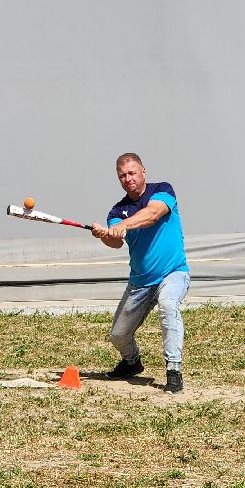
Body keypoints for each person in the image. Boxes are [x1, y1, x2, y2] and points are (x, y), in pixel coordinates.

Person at [92, 152, 190, 392]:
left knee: (168, 305)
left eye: (132, 173)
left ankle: (173, 370)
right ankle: (132, 362)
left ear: (143, 172)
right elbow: (116, 242)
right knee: (118, 336)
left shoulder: (163, 190)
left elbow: (153, 214)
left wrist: (123, 226)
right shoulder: (118, 211)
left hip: (173, 273)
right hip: (140, 282)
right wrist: (105, 235)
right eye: (122, 176)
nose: (128, 179)